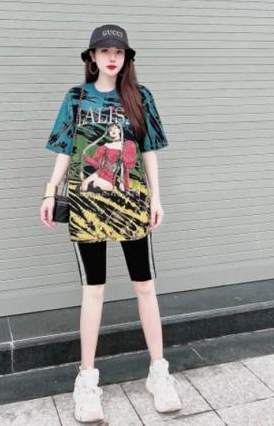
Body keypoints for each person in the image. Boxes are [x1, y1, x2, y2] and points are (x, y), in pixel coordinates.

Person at [40, 24, 182, 422]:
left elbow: (149, 150)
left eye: (118, 51)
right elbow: (65, 148)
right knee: (94, 290)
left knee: (145, 286)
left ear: (126, 58)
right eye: (104, 51)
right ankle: (86, 381)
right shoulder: (76, 98)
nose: (112, 57)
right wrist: (50, 191)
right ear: (92, 57)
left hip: (132, 204)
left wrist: (156, 198)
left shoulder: (140, 96)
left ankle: (159, 373)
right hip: (87, 206)